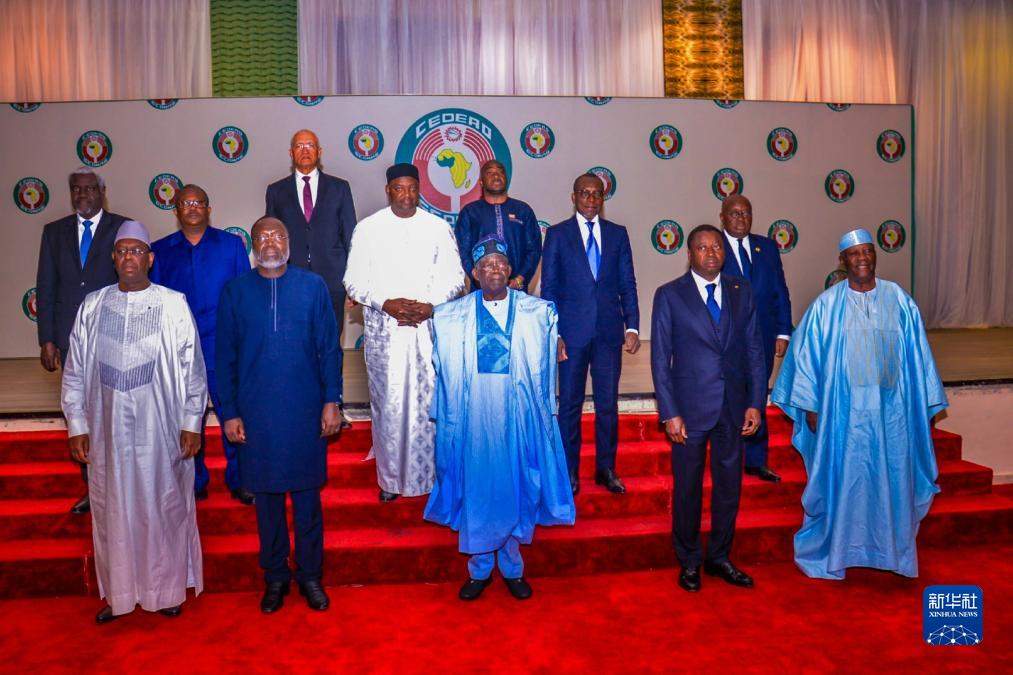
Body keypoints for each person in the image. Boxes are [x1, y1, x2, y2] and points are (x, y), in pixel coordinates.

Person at [771, 228, 947, 580]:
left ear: (875, 255)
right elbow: (806, 359)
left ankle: (893, 553)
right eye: (854, 253)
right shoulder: (826, 306)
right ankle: (839, 550)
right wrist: (811, 406)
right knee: (845, 480)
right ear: (843, 260)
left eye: (867, 251)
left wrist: (921, 406)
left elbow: (919, 360)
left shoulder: (899, 300)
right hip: (842, 417)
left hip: (892, 417)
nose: (862, 258)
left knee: (892, 480)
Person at [61, 220, 207, 623]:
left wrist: (192, 422)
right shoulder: (93, 306)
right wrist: (77, 425)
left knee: (163, 505)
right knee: (112, 510)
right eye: (123, 250)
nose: (130, 257)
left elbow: (193, 367)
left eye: (137, 251)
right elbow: (74, 370)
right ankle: (120, 593)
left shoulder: (173, 304)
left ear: (150, 258)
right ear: (114, 258)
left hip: (162, 428)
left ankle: (166, 590)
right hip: (105, 430)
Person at [425, 237, 576, 601]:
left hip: (516, 416)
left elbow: (545, 359)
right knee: (479, 487)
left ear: (510, 271)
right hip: (475, 418)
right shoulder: (451, 316)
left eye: (500, 264)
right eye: (486, 265)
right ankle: (479, 569)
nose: (494, 270)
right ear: (475, 274)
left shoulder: (536, 313)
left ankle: (512, 567)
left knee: (515, 484)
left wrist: (556, 338)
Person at [216, 217, 342, 613]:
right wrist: (229, 412)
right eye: (262, 236)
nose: (270, 242)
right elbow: (224, 357)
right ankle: (275, 577)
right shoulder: (235, 292)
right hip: (256, 415)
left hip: (305, 411)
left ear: (288, 242)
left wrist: (332, 400)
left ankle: (310, 575)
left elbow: (329, 348)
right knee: (266, 502)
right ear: (252, 245)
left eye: (278, 235)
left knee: (307, 500)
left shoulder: (312, 286)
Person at [650, 224, 765, 593]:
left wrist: (755, 402)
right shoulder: (669, 295)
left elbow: (754, 350)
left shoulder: (741, 290)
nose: (711, 252)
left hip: (733, 408)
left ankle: (719, 556)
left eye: (716, 246)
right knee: (687, 489)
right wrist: (669, 412)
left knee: (729, 488)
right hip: (688, 411)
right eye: (702, 247)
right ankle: (689, 560)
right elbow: (660, 359)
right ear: (690, 254)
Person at [343, 163, 465, 502]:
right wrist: (386, 303)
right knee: (390, 406)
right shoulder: (368, 229)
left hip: (427, 332)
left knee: (429, 406)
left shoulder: (438, 228)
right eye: (400, 188)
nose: (407, 195)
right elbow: (353, 279)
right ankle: (390, 479)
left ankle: (431, 478)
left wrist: (429, 305)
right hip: (386, 333)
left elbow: (456, 278)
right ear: (388, 190)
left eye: (412, 188)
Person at [150, 184, 253, 504]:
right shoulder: (160, 250)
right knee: (185, 417)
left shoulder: (231, 246)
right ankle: (193, 482)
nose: (192, 207)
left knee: (233, 413)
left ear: (209, 209)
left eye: (199, 202)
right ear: (176, 210)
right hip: (179, 349)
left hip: (223, 346)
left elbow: (244, 296)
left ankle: (241, 479)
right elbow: (156, 302)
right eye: (185, 203)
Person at [37, 167, 129, 515]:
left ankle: (122, 485)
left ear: (102, 192)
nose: (83, 195)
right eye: (77, 189)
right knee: (81, 414)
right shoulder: (54, 232)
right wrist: (47, 338)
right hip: (70, 337)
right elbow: (46, 285)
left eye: (90, 189)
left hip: (115, 335)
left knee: (118, 414)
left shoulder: (123, 228)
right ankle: (93, 488)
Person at [541, 173, 640, 496]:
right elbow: (549, 288)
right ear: (574, 197)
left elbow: (628, 283)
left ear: (603, 198)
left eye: (597, 194)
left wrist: (632, 326)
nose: (591, 199)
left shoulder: (617, 234)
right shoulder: (557, 235)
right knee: (570, 405)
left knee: (607, 405)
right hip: (571, 335)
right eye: (585, 193)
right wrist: (554, 332)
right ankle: (569, 470)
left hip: (609, 333)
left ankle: (605, 468)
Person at [265, 129, 356, 428]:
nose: (305, 150)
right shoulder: (276, 191)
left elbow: (351, 236)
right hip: (290, 282)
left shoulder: (340, 188)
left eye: (310, 145)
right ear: (291, 153)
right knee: (294, 345)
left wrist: (352, 283)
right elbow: (271, 239)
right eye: (299, 146)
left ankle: (334, 405)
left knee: (330, 345)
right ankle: (300, 406)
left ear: (320, 151)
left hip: (332, 281)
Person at [719, 195, 792, 483]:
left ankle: (756, 460)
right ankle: (729, 459)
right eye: (735, 213)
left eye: (746, 213)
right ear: (722, 217)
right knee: (729, 398)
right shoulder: (713, 246)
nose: (741, 218)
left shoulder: (767, 247)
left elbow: (779, 291)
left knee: (757, 395)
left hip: (762, 335)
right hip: (726, 340)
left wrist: (783, 331)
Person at [453, 160, 541, 293]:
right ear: (481, 182)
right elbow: (462, 250)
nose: (496, 175)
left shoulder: (523, 210)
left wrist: (520, 278)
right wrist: (478, 278)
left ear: (506, 178)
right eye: (490, 172)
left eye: (500, 172)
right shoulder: (470, 212)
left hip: (517, 290)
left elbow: (534, 249)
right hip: (481, 291)